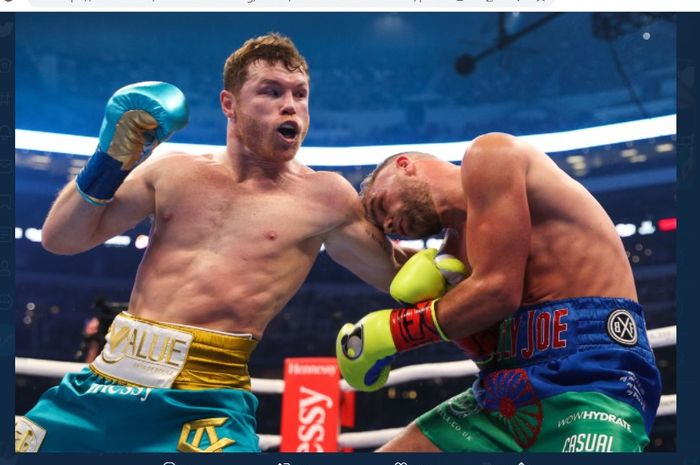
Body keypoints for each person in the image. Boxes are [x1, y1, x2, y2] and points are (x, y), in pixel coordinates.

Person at [15, 33, 404, 453]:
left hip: (206, 399)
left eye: (300, 94)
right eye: (271, 91)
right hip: (107, 379)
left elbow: (400, 279)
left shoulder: (326, 197)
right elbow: (61, 238)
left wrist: (454, 221)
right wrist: (110, 157)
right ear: (229, 104)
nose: (290, 105)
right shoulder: (174, 172)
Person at [335, 134, 662, 452]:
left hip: (594, 379)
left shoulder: (488, 155)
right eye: (384, 226)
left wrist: (395, 331)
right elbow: (491, 341)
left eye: (382, 205)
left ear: (405, 165)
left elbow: (498, 292)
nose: (389, 223)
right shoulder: (452, 255)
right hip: (505, 392)